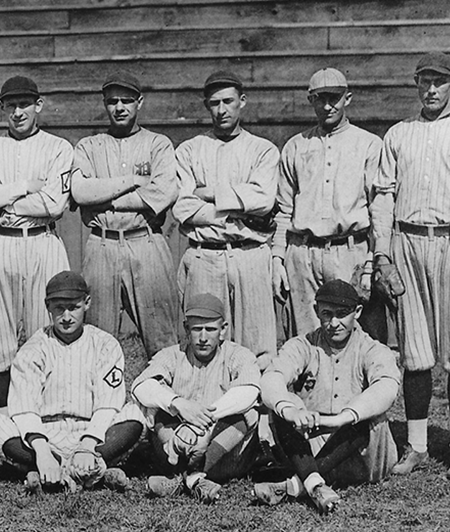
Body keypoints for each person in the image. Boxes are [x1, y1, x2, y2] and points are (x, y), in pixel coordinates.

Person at [375, 53, 450, 478]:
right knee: (415, 352)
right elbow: (383, 198)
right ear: (416, 84)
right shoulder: (399, 134)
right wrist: (382, 256)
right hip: (408, 241)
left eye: (440, 82)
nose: (432, 90)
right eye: (425, 82)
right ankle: (417, 445)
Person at [0, 75, 73, 413]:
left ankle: (45, 413)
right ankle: (3, 418)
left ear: (38, 105)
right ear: (1, 108)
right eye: (10, 105)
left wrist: (0, 197)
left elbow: (53, 204)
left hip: (42, 241)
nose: (17, 111)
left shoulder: (58, 148)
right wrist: (26, 186)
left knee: (47, 331)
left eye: (24, 104)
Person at [0, 271, 145, 493]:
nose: (66, 316)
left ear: (86, 303)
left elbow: (108, 404)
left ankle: (53, 473)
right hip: (46, 434)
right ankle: (90, 471)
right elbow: (24, 409)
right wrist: (42, 452)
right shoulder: (33, 348)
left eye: (73, 307)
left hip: (92, 433)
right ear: (47, 306)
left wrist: (87, 446)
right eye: (59, 308)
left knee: (136, 414)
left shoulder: (105, 344)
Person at [257, 280, 400, 514]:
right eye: (327, 314)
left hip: (360, 453)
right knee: (284, 405)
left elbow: (387, 387)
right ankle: (315, 484)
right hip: (311, 442)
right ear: (316, 312)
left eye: (342, 314)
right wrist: (291, 410)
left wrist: (343, 417)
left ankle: (295, 484)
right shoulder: (303, 345)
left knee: (367, 413)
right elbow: (273, 376)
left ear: (358, 313)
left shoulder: (372, 348)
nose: (334, 323)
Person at [273, 68, 392, 341]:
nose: (327, 106)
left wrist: (375, 259)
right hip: (303, 254)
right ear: (310, 99)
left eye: (334, 98)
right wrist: (278, 259)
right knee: (307, 340)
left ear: (347, 98)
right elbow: (284, 209)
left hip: (350, 252)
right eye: (319, 98)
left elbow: (380, 209)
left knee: (358, 339)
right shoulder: (295, 146)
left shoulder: (369, 145)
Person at [172, 70, 279, 365]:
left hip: (250, 256)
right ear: (207, 105)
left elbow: (263, 200)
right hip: (205, 256)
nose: (222, 110)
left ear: (242, 101)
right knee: (204, 343)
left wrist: (210, 194)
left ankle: (256, 410)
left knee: (258, 346)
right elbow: (183, 207)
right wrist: (237, 214)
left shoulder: (262, 150)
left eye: (228, 101)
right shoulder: (190, 150)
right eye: (215, 103)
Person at [71, 72, 181, 356]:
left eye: (127, 100)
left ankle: (160, 400)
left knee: (162, 341)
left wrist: (105, 199)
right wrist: (132, 183)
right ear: (105, 104)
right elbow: (81, 193)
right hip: (102, 243)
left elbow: (163, 193)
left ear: (139, 103)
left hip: (146, 241)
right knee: (96, 340)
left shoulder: (158, 144)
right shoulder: (89, 146)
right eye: (112, 101)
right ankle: (106, 401)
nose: (119, 107)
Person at [132, 292, 261, 502]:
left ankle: (183, 479)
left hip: (221, 450)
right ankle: (195, 480)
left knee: (246, 414)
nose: (202, 338)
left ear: (223, 330)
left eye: (210, 329)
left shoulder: (238, 355)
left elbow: (249, 390)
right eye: (196, 329)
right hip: (176, 445)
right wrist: (178, 404)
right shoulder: (172, 354)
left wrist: (202, 419)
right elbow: (141, 386)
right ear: (186, 329)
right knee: (157, 407)